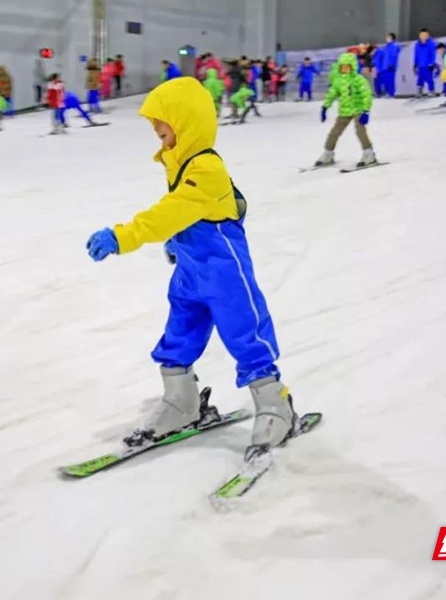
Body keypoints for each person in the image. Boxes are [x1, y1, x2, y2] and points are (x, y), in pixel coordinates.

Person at [84, 77, 304, 457]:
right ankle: (181, 400)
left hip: (224, 272)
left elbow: (172, 211)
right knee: (178, 333)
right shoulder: (180, 162)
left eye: (161, 120)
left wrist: (124, 236)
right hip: (190, 273)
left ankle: (274, 403)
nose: (154, 128)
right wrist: (176, 239)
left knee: (244, 332)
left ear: (184, 120)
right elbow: (185, 213)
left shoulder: (205, 167)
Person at [314, 53, 375, 168]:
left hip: (358, 109)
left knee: (360, 131)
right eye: (343, 67)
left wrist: (366, 111)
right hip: (344, 111)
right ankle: (328, 154)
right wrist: (325, 107)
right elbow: (331, 94)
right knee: (334, 132)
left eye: (347, 67)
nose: (345, 69)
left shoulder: (358, 80)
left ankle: (369, 154)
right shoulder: (339, 81)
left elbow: (366, 95)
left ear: (352, 67)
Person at [413, 28, 438, 96]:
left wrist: (431, 63)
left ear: (427, 35)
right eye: (421, 35)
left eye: (425, 35)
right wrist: (415, 64)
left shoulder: (431, 44)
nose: (423, 37)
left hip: (428, 65)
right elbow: (416, 54)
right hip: (420, 65)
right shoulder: (417, 44)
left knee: (429, 78)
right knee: (420, 78)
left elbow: (433, 54)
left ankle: (431, 90)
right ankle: (419, 90)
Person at [380, 33, 401, 98]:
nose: (386, 38)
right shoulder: (386, 47)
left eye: (388, 37)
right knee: (385, 80)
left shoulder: (394, 46)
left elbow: (394, 56)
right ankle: (387, 93)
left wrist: (392, 64)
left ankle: (391, 93)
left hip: (390, 66)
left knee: (390, 80)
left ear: (392, 38)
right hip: (385, 66)